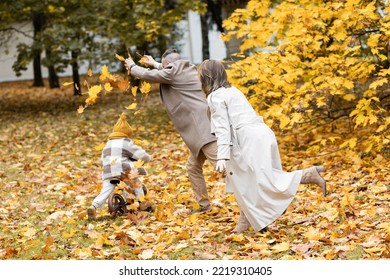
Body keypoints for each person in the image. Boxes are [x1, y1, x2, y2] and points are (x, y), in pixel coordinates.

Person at [197, 59, 327, 233]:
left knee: (262, 181)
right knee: (247, 181)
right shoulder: (232, 90)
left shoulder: (215, 96)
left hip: (249, 139)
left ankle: (308, 176)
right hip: (262, 133)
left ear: (206, 77)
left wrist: (222, 155)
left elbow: (223, 128)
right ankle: (248, 220)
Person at [124, 49, 218, 213]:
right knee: (193, 168)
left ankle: (255, 204)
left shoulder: (173, 72)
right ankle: (204, 206)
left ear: (168, 65)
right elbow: (166, 70)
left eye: (164, 66)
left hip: (204, 132)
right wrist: (155, 63)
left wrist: (132, 67)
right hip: (204, 129)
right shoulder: (187, 68)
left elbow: (151, 75)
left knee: (227, 170)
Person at [87, 113, 152, 220]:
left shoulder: (108, 144)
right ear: (126, 133)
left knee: (106, 191)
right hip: (123, 171)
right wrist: (147, 158)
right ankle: (142, 203)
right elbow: (139, 154)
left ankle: (93, 206)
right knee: (136, 183)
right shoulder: (126, 142)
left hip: (108, 172)